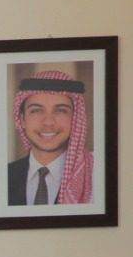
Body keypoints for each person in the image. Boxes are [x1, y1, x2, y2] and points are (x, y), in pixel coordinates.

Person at [6, 70, 94, 206]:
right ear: (22, 119)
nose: (48, 122)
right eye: (36, 110)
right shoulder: (2, 176)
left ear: (75, 119)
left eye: (60, 110)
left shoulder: (94, 176)